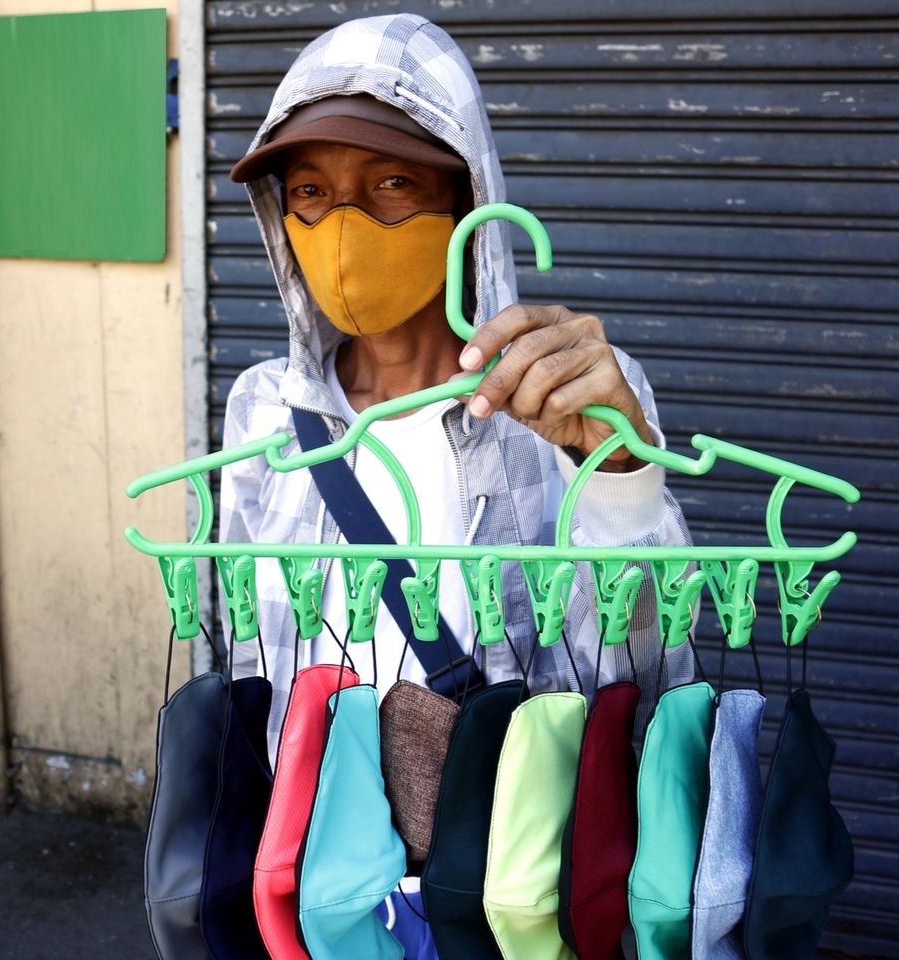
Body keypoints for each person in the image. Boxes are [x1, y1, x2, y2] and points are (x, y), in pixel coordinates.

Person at [220, 13, 694, 751]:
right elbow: (249, 659)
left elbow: (648, 682)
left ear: (466, 201)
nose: (344, 227)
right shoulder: (263, 410)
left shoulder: (571, 401)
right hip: (310, 853)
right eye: (310, 190)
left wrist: (621, 478)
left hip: (507, 856)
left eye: (394, 182)